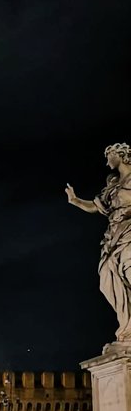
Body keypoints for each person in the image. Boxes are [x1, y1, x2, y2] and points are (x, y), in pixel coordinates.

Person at [66, 142, 131, 340]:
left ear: (120, 155)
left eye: (109, 155)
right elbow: (97, 207)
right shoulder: (112, 186)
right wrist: (75, 200)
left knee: (129, 270)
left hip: (130, 231)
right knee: (107, 278)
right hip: (114, 234)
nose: (107, 161)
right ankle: (127, 325)